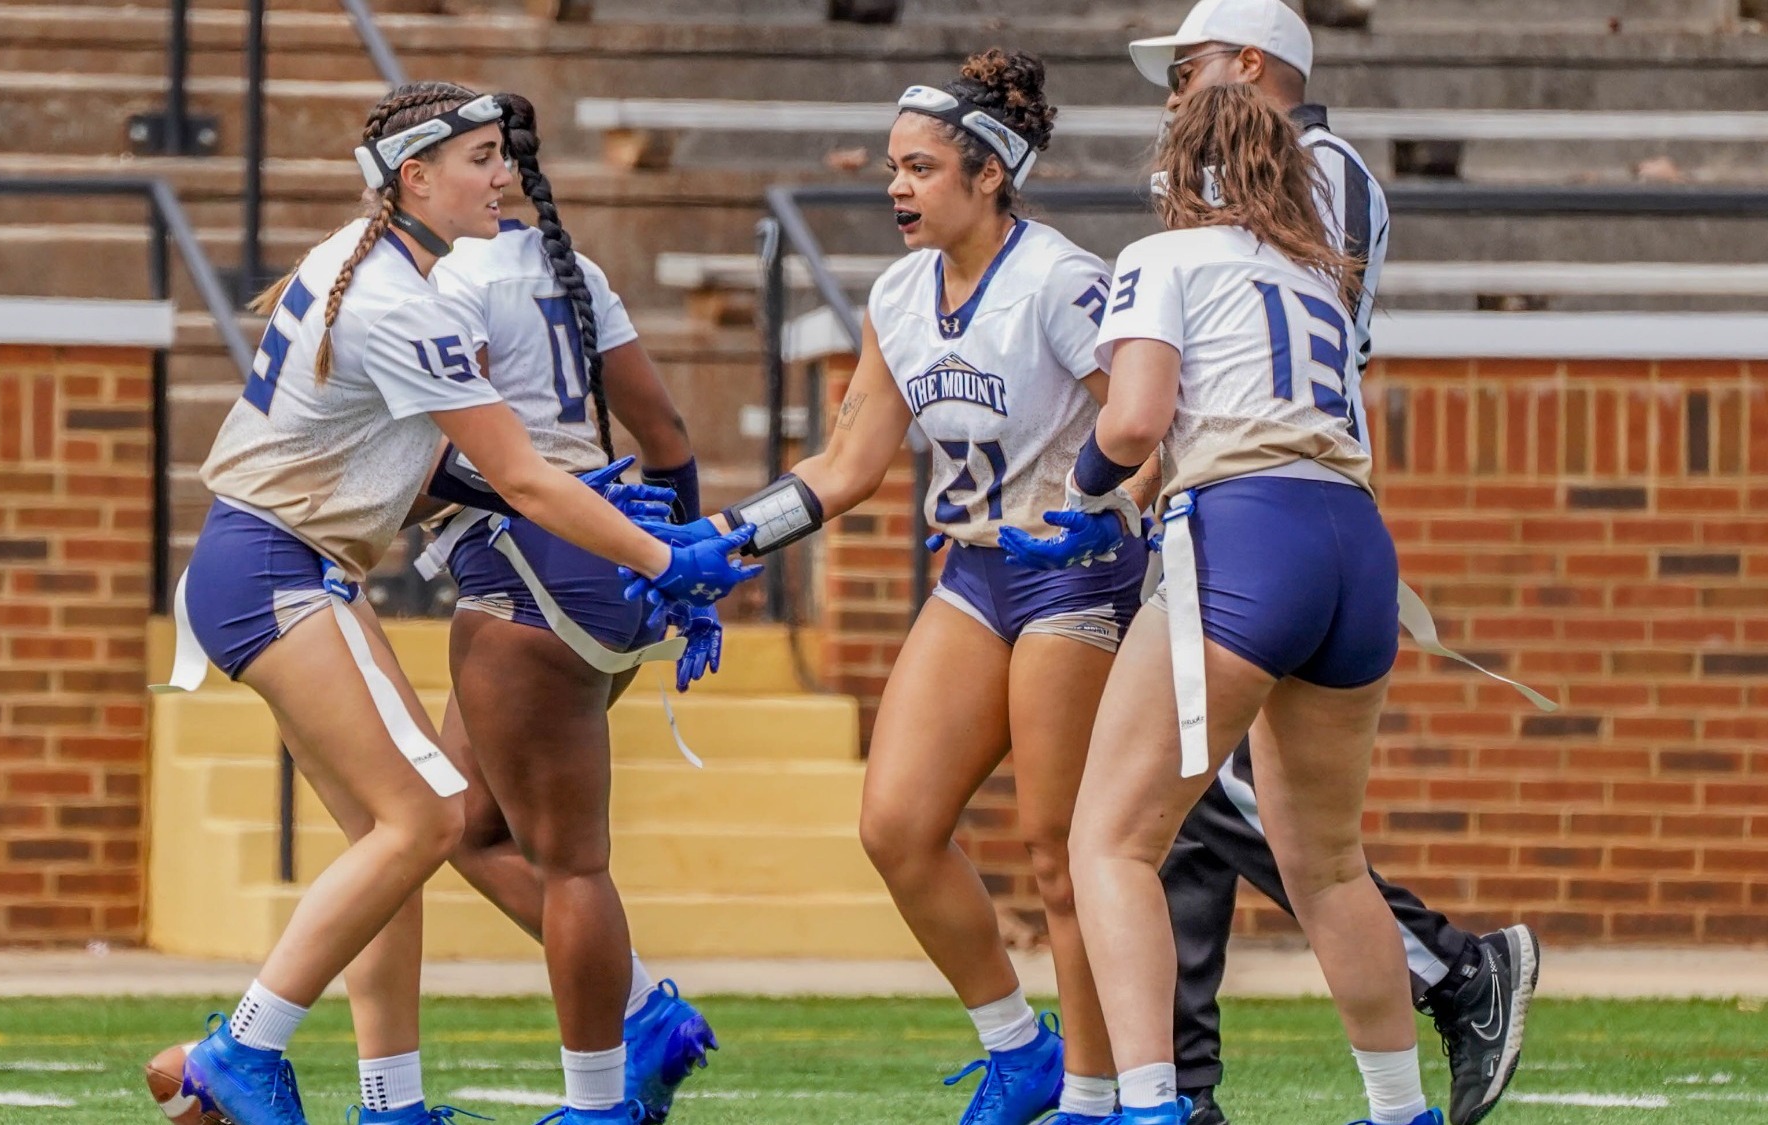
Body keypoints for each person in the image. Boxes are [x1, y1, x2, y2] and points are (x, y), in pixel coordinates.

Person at [148, 81, 758, 1125]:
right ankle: (241, 1048)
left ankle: (389, 1102)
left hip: (282, 564)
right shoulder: (403, 299)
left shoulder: (375, 256)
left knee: (391, 844)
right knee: (427, 818)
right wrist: (663, 558)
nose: (502, 172)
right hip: (279, 567)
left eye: (499, 154)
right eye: (477, 157)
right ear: (412, 178)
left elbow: (459, 469)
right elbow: (520, 476)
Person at [643, 49, 1153, 1125]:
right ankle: (1020, 1051)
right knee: (896, 824)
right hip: (974, 573)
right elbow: (847, 465)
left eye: (920, 167)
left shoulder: (1059, 279)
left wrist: (1104, 509)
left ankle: (1099, 1101)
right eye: (892, 166)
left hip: (1073, 575)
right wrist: (726, 537)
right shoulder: (895, 292)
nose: (896, 187)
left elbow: (1147, 425)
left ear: (987, 175)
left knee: (1062, 858)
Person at [1125, 4, 1537, 1122]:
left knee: (1144, 817)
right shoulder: (1238, 207)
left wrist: (1103, 486)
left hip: (1261, 501)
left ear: (1249, 67)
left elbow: (1278, 332)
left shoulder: (1311, 169)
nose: (1172, 95)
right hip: (1296, 507)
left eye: (1188, 67)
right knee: (1215, 814)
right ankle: (1215, 1079)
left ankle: (1442, 972)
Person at [1037, 79, 1437, 1125]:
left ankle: (1146, 1104)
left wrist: (1085, 492)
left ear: (1183, 166)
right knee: (1328, 863)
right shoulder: (1313, 270)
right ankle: (1400, 1112)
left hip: (1244, 544)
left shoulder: (1162, 257)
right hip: (1351, 547)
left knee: (1109, 843)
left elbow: (1133, 421)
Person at [425, 88, 719, 1125]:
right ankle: (643, 1009)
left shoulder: (440, 281)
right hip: (608, 573)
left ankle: (599, 1100)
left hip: (525, 577)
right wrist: (669, 559)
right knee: (456, 824)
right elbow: (667, 430)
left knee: (570, 865)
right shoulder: (570, 267)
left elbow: (438, 462)